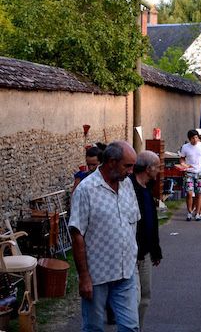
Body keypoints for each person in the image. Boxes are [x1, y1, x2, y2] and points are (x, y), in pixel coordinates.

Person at [69, 141, 140, 331]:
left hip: (126, 272)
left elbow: (132, 225)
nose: (131, 171)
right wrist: (84, 277)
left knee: (130, 327)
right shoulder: (86, 190)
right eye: (127, 165)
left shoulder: (127, 186)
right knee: (94, 328)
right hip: (97, 276)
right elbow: (77, 235)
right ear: (111, 162)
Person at [130, 151, 163, 330]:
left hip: (146, 253)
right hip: (134, 254)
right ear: (148, 168)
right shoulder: (130, 188)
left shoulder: (146, 188)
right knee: (132, 298)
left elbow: (152, 222)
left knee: (145, 296)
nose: (159, 170)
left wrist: (155, 250)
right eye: (157, 166)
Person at [179, 130, 201, 221]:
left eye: (196, 137)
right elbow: (181, 159)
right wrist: (183, 164)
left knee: (199, 193)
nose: (195, 139)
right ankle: (189, 212)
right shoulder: (185, 147)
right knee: (189, 193)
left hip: (199, 172)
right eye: (193, 138)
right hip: (189, 172)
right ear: (189, 139)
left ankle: (197, 213)